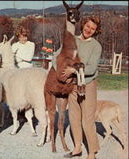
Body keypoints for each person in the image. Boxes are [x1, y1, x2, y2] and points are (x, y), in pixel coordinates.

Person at [60, 16, 102, 159]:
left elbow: (91, 68)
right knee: (74, 118)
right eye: (88, 26)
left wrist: (73, 69)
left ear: (96, 31)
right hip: (72, 85)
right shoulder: (73, 40)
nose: (89, 30)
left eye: (93, 29)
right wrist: (57, 69)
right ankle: (77, 148)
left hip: (87, 85)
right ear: (83, 24)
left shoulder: (96, 46)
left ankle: (92, 153)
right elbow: (58, 55)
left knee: (87, 121)